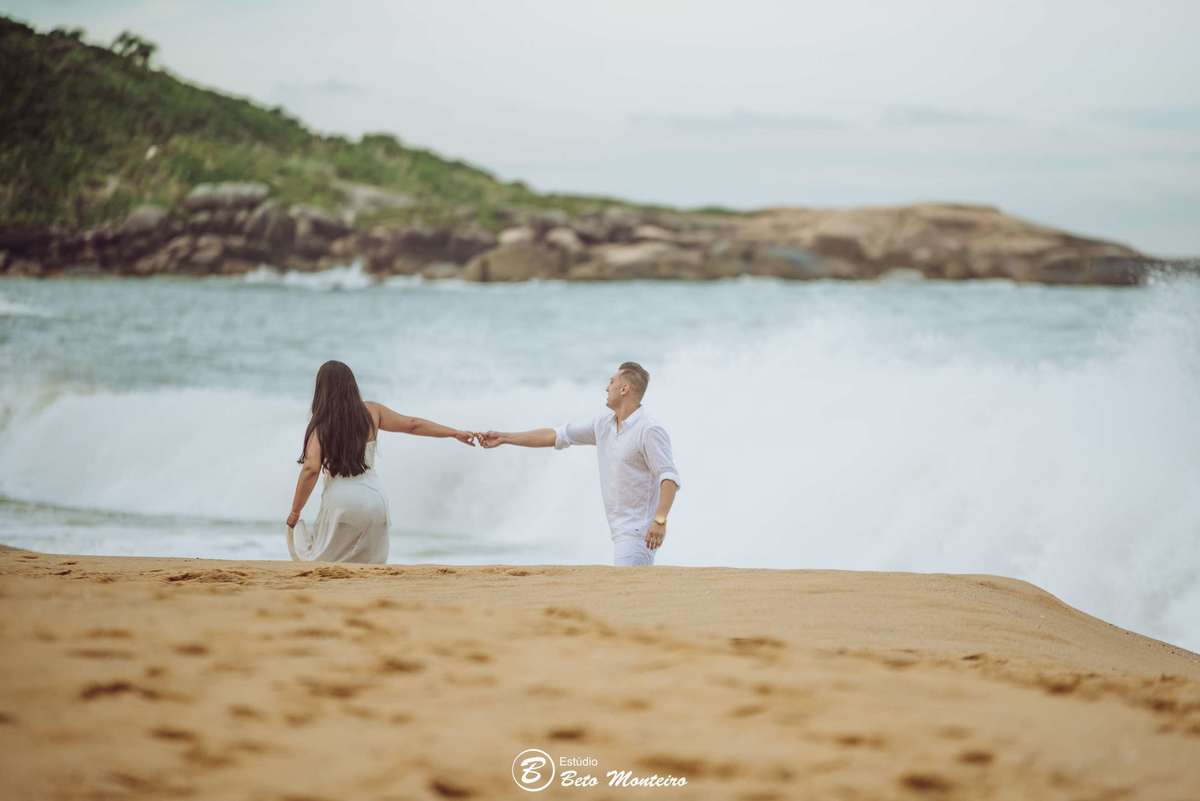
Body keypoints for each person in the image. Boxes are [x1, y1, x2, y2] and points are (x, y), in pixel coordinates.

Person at [479, 362, 680, 566]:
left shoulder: (649, 429)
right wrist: (505, 437)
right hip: (620, 531)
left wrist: (659, 520)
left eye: (611, 382)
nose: (606, 387)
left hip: (638, 532)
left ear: (624, 389)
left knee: (626, 593)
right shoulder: (603, 425)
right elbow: (556, 435)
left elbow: (669, 476)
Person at [286, 360, 476, 563]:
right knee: (369, 566)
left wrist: (295, 511)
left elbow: (311, 468)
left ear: (321, 390)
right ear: (352, 385)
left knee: (324, 563)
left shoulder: (321, 424)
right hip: (374, 500)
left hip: (340, 503)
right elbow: (413, 425)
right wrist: (454, 433)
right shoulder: (372, 412)